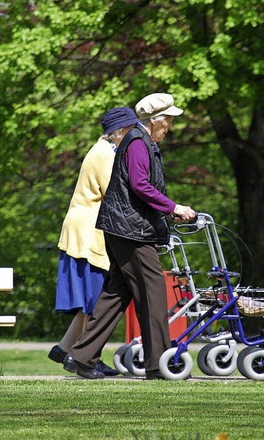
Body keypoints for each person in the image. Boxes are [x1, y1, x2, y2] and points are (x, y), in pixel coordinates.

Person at [64, 93, 196, 380]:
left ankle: (81, 357)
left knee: (116, 293)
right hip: (131, 231)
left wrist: (166, 211)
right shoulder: (137, 141)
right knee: (153, 294)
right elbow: (140, 185)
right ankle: (158, 365)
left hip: (125, 227)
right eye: (169, 120)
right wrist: (173, 207)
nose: (170, 126)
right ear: (155, 120)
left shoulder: (140, 140)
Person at [48, 107, 140, 375]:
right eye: (132, 130)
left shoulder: (101, 150)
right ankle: (87, 356)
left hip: (83, 228)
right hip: (90, 231)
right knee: (98, 300)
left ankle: (65, 348)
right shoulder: (105, 155)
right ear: (120, 131)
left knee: (93, 299)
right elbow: (119, 190)